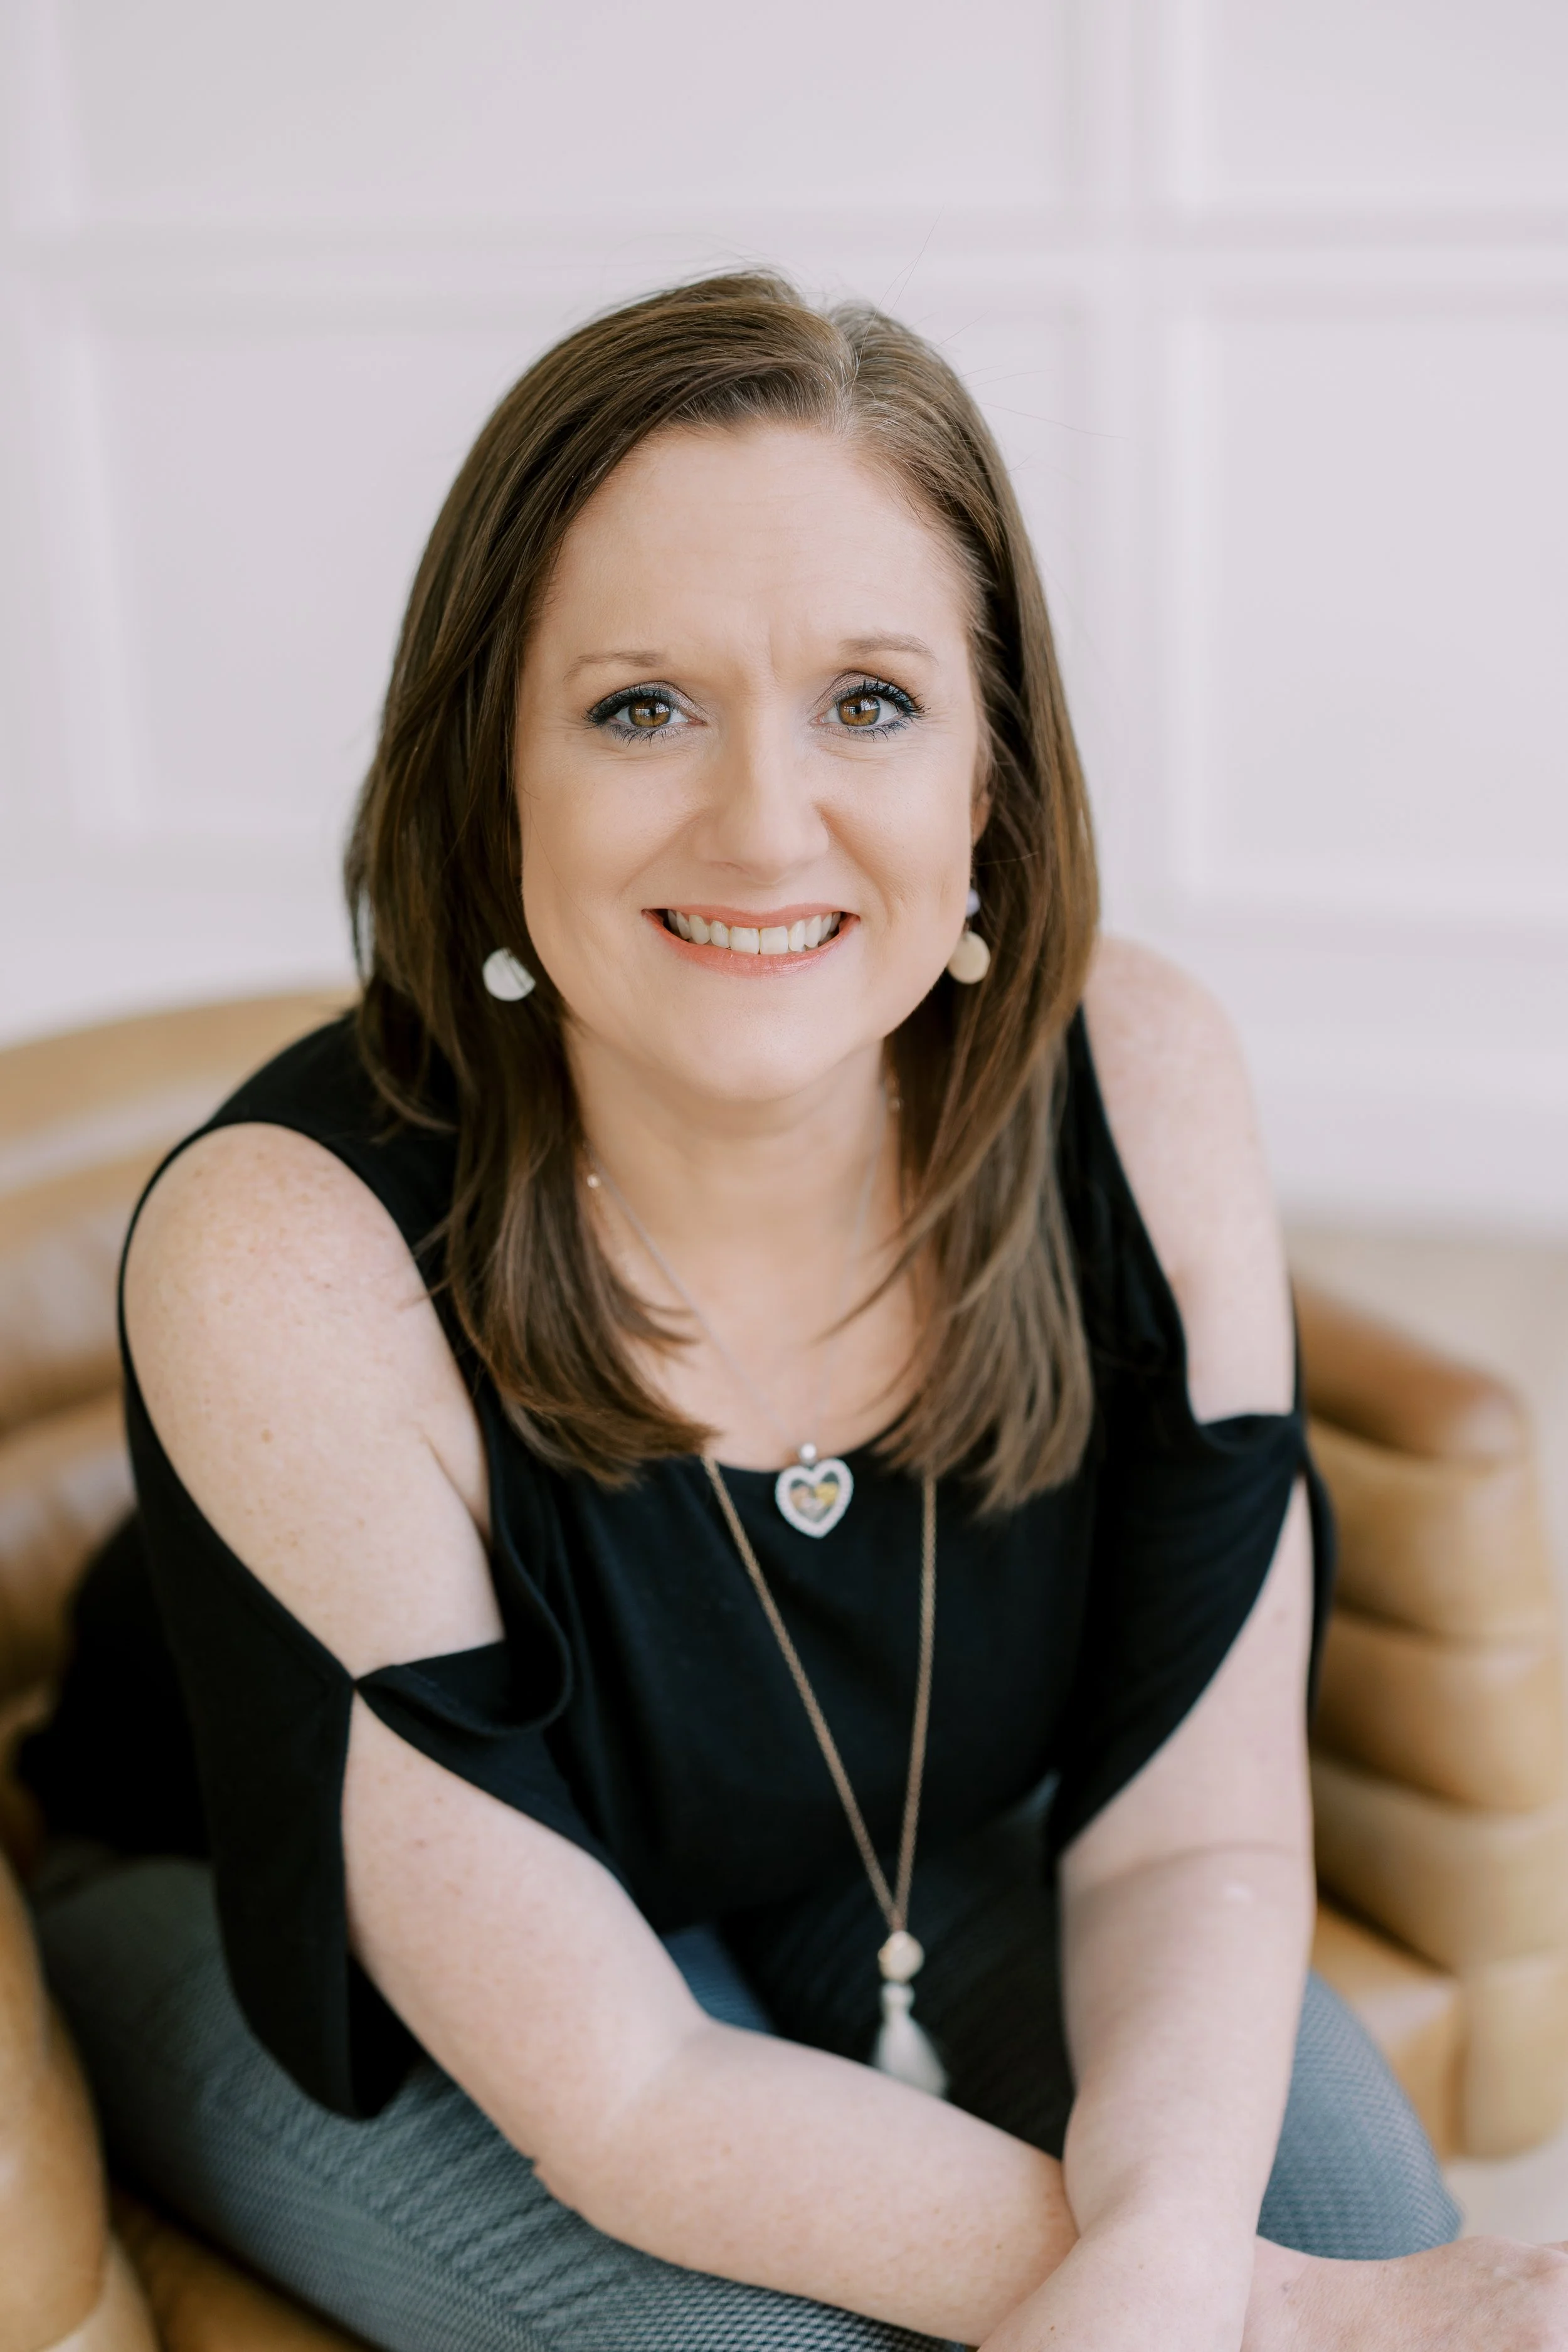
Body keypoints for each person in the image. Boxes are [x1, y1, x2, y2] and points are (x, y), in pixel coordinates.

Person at [23, 273, 1568, 2352]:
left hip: (888, 1846)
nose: (766, 821)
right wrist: (1280, 2320)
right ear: (492, 785)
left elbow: (1186, 1828)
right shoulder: (283, 1244)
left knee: (1346, 2201)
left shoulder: (1140, 1078)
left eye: (868, 699)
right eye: (640, 705)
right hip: (320, 1950)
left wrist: (1193, 2247)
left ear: (989, 782)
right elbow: (625, 2084)